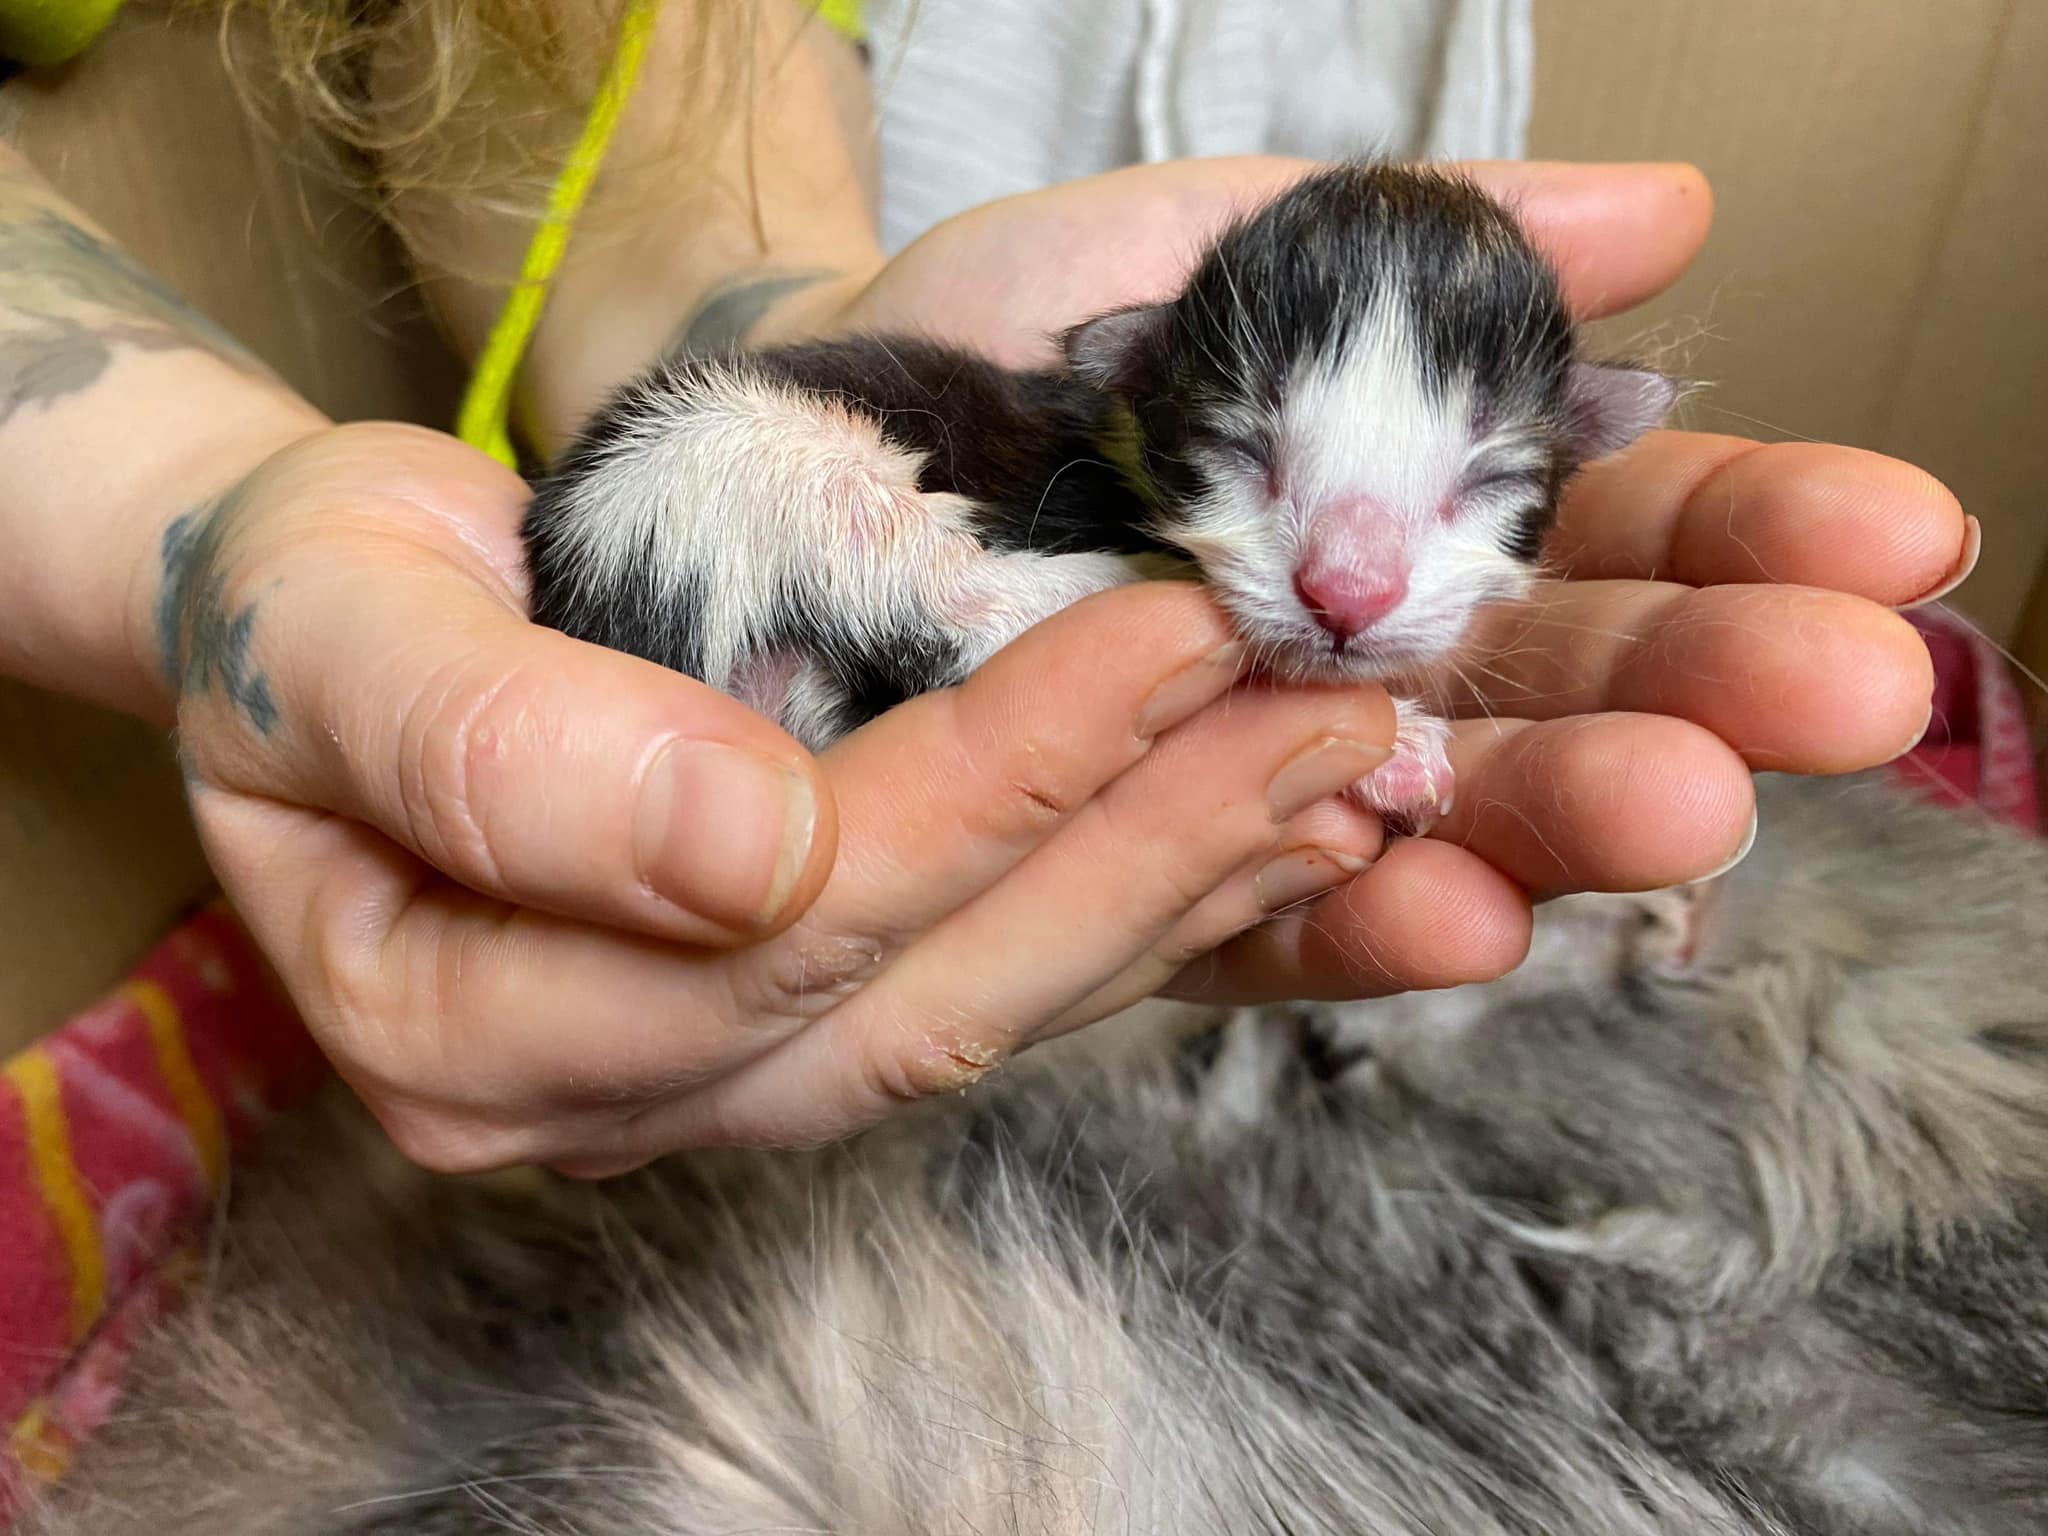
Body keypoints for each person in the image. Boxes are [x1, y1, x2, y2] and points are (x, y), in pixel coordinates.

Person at [0, 0, 1971, 1175]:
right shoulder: (1055, 488)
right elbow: (971, 568)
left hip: (819, 633)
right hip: (719, 540)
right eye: (1256, 469)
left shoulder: (1145, 513)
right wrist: (213, 525)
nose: (1353, 586)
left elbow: (601, 114)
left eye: (1478, 500)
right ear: (1132, 386)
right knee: (809, 486)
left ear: (1577, 444)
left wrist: (763, 294)